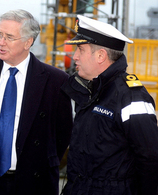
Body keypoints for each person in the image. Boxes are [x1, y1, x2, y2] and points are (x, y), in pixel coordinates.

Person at [0, 9, 73, 195]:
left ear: (28, 42)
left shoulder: (56, 80)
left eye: (9, 37)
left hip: (34, 182)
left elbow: (63, 133)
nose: (1, 42)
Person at [61, 15, 158, 195]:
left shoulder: (131, 96)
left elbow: (150, 158)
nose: (74, 56)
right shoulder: (90, 90)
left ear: (100, 55)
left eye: (80, 50)